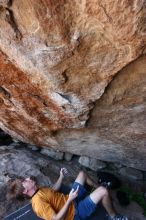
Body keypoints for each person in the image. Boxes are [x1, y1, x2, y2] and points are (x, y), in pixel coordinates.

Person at [8, 169, 128, 220]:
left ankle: (97, 190)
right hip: (74, 213)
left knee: (82, 174)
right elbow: (56, 219)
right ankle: (114, 216)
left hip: (71, 198)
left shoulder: (38, 190)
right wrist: (70, 200)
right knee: (104, 191)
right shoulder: (38, 203)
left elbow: (52, 190)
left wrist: (61, 176)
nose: (28, 178)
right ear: (24, 191)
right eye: (25, 181)